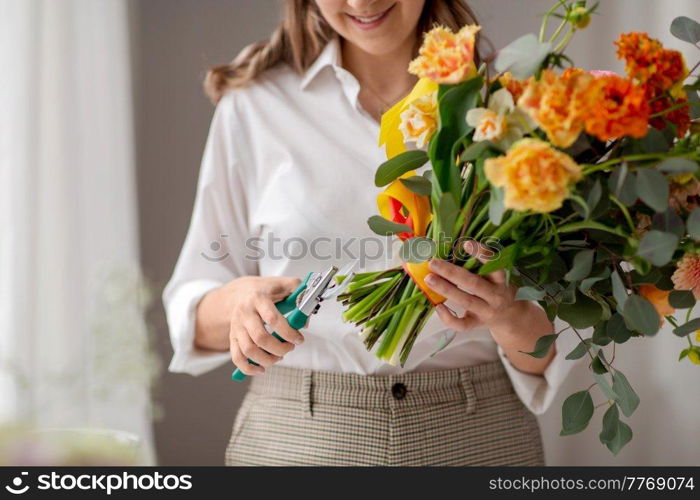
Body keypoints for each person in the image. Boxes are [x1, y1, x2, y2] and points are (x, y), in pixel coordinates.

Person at [163, 0, 580, 466]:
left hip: (476, 437)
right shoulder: (255, 106)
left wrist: (505, 315)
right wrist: (241, 305)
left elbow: (547, 351)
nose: (361, 3)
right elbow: (192, 312)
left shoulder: (511, 107)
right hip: (297, 440)